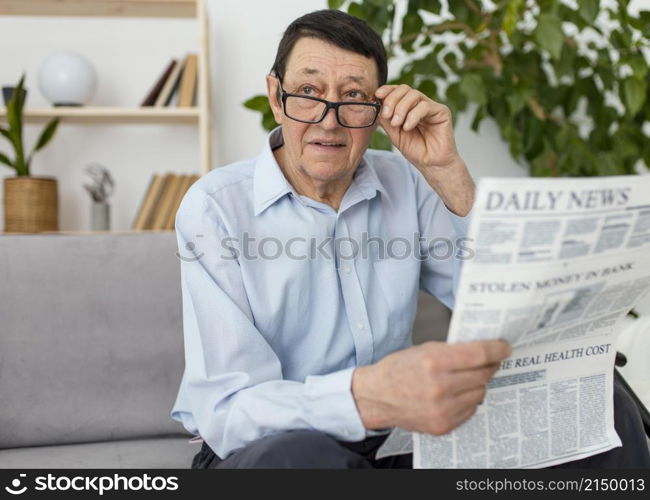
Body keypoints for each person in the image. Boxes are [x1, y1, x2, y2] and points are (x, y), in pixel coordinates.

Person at [171, 9, 650, 469]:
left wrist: (447, 172)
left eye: (354, 97)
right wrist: (366, 397)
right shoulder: (215, 208)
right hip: (273, 446)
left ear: (379, 109)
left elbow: (506, 307)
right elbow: (230, 410)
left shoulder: (409, 180)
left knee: (603, 409)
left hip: (400, 437)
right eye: (309, 92)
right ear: (276, 97)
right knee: (305, 459)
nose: (330, 120)